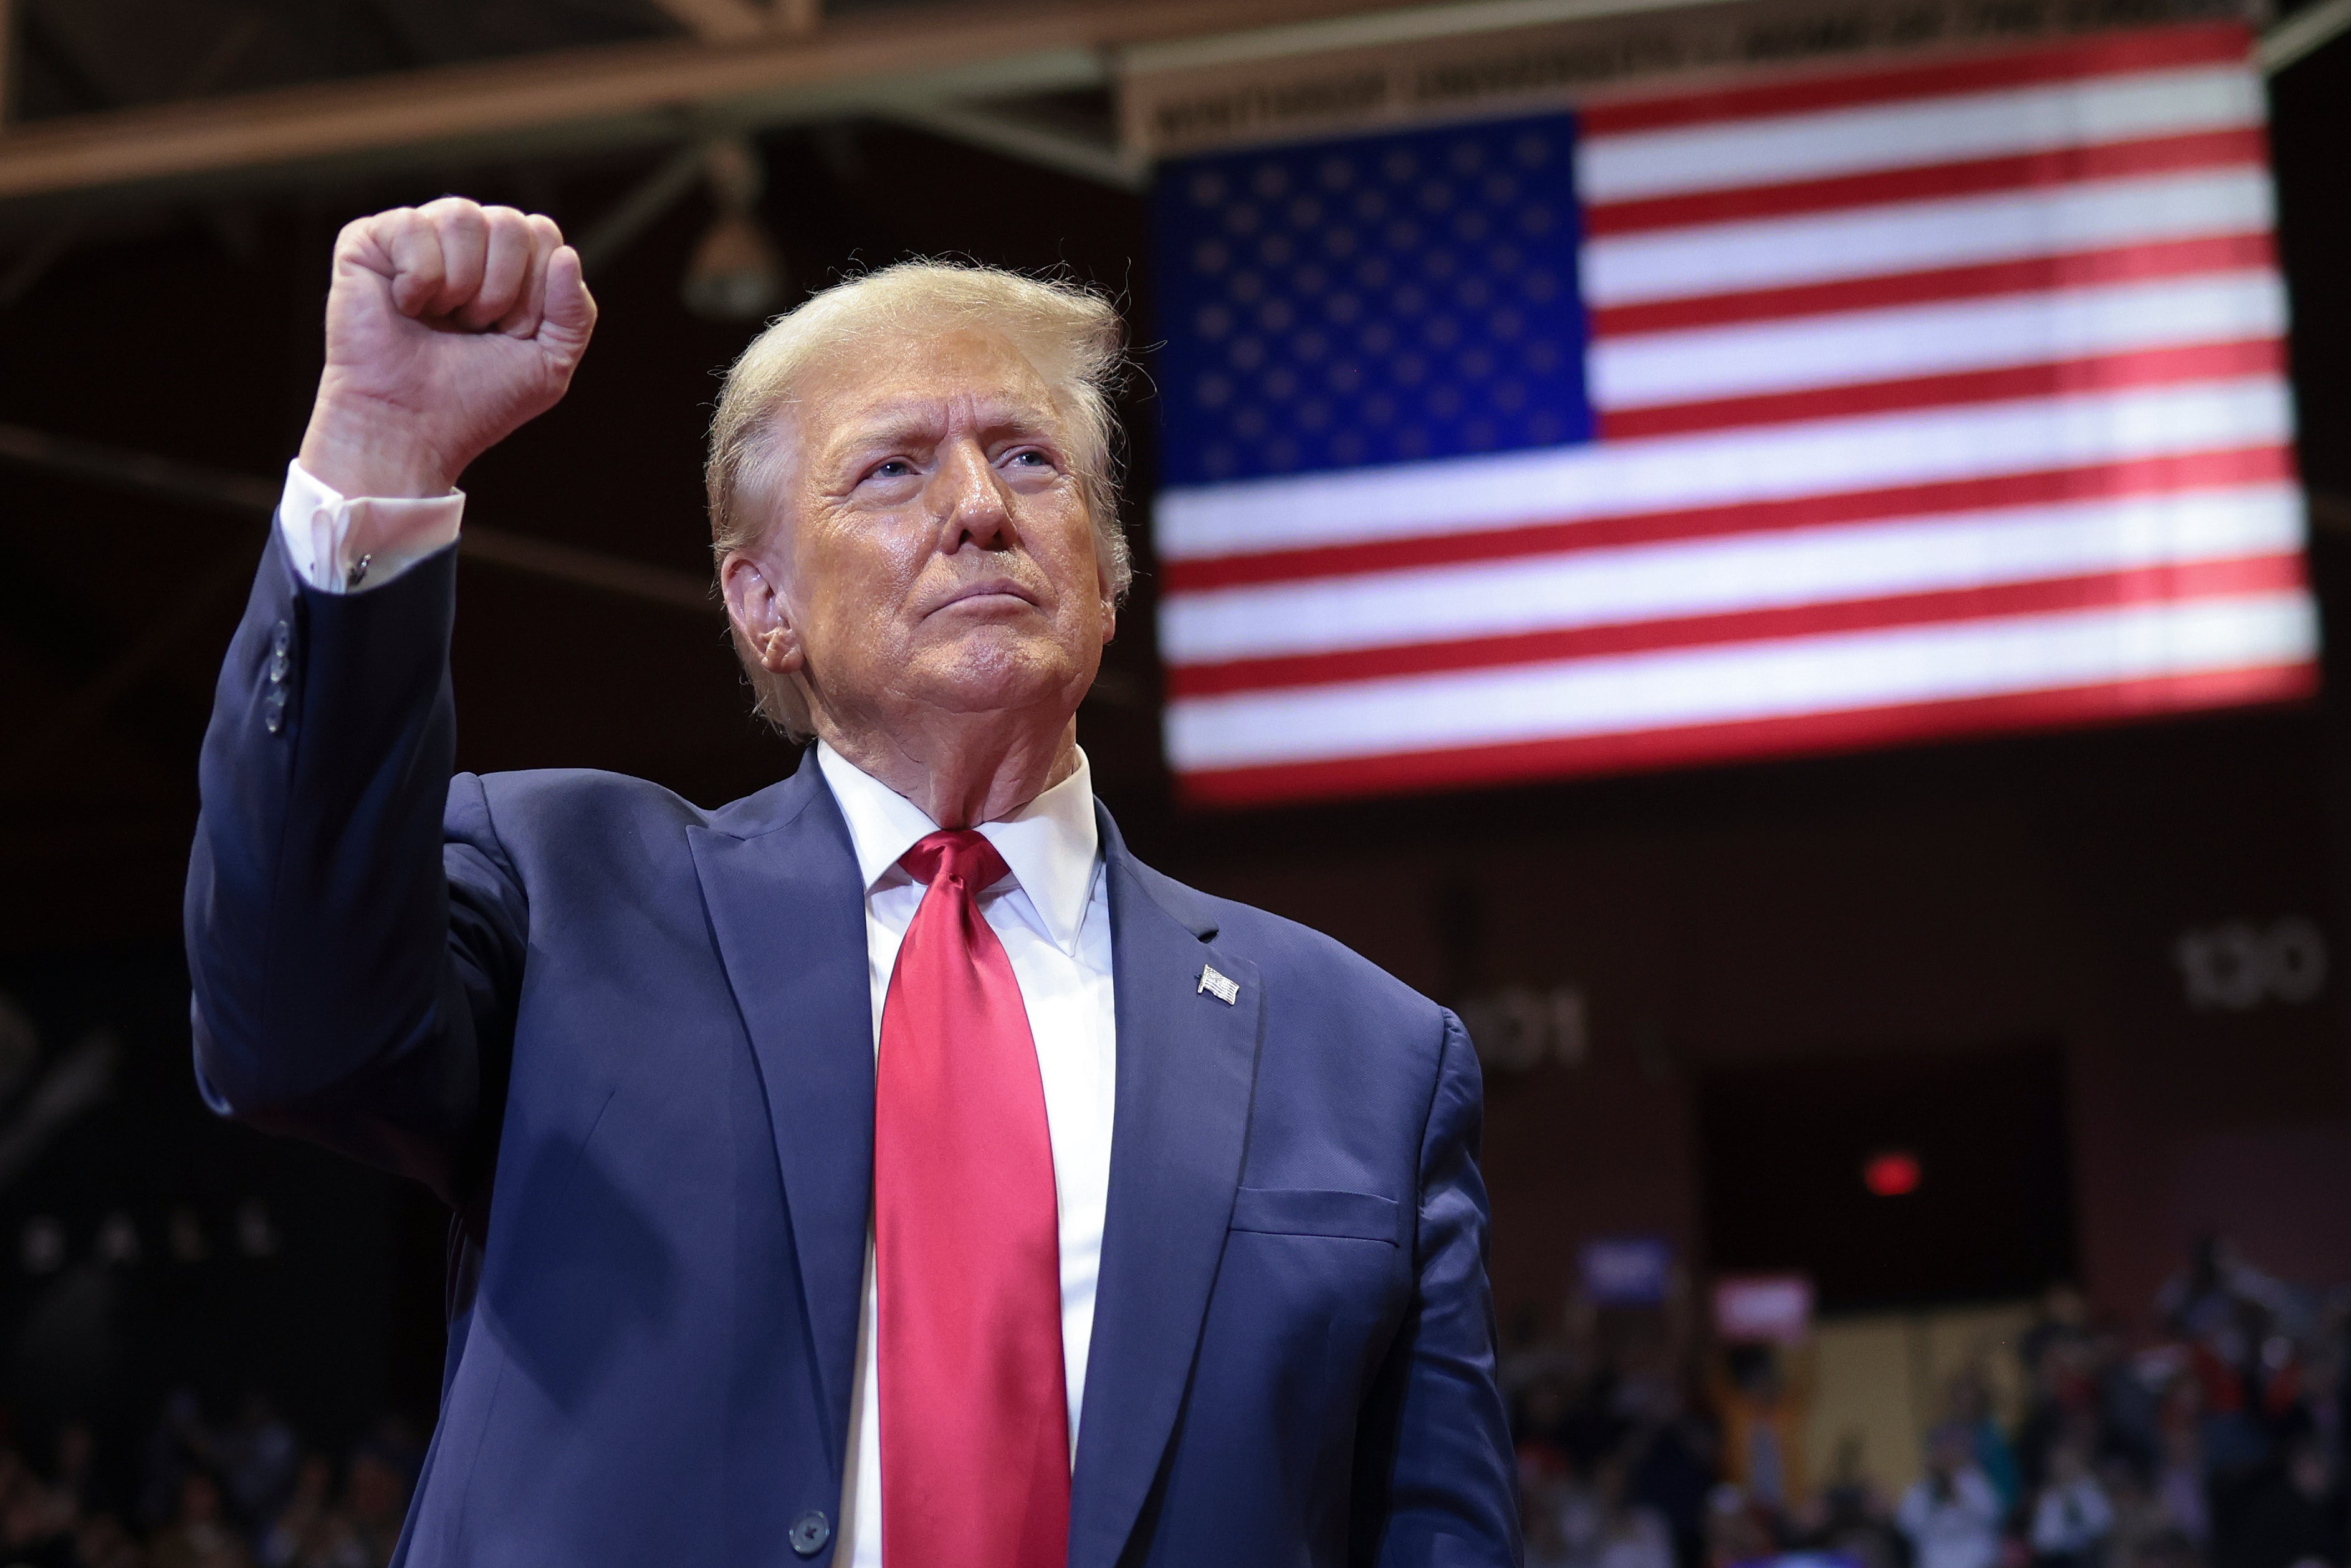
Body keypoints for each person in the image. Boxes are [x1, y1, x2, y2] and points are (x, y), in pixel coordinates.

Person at [183, 197, 1517, 1567]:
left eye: (1028, 457)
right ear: (763, 605)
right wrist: (379, 459)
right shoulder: (565, 896)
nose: (979, 509)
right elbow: (289, 1027)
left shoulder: (1369, 1054)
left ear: (1108, 583)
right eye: (890, 470)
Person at [1897, 1425, 2006, 1568]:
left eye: (1951, 1448)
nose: (1946, 1454)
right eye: (1941, 1448)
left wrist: (1956, 1492)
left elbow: (1993, 1514)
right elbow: (1906, 1525)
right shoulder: (1922, 1490)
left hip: (1979, 1561)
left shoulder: (1975, 1482)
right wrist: (1934, 1495)